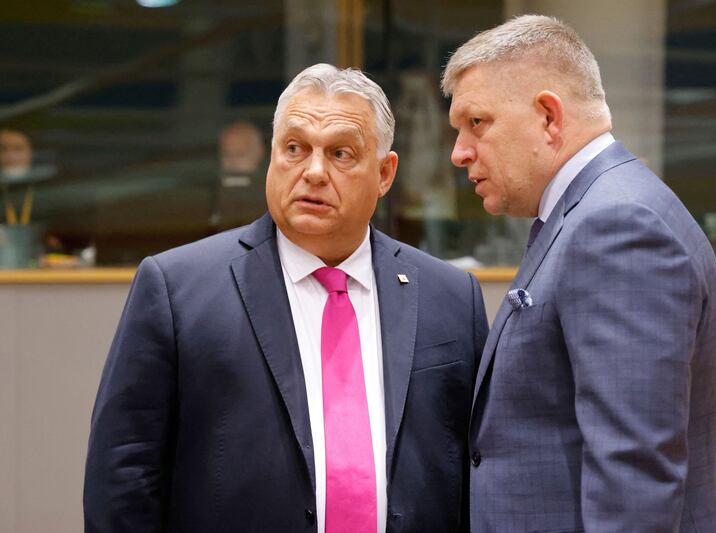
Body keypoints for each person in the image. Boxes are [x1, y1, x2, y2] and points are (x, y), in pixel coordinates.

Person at [84, 63, 488, 532]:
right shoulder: (177, 290)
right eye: (295, 148)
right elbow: (122, 477)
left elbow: (476, 468)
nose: (313, 172)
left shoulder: (450, 297)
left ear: (384, 173)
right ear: (272, 156)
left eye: (340, 153)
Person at [442, 15, 716, 532]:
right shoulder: (594, 212)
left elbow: (634, 478)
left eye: (477, 123)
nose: (460, 152)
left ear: (549, 116)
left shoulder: (616, 226)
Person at [208, 120, 268, 232]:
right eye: (226, 154)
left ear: (259, 152)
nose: (232, 161)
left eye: (240, 154)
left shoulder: (274, 194)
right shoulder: (210, 194)